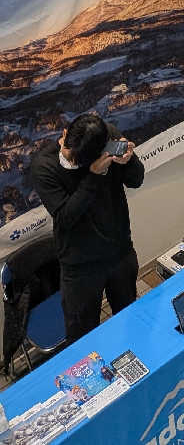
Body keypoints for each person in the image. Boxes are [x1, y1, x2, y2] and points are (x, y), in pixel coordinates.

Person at [31, 112, 144, 344]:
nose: (68, 159)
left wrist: (129, 160)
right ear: (64, 134)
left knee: (130, 321)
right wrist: (94, 176)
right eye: (66, 151)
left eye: (75, 161)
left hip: (119, 253)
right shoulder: (45, 167)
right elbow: (65, 218)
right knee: (82, 339)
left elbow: (135, 180)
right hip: (79, 267)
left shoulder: (107, 137)